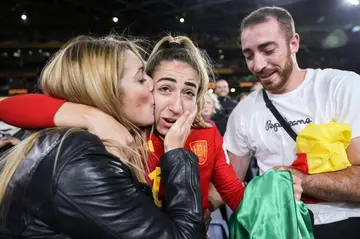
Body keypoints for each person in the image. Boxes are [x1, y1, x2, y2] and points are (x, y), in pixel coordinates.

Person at [0, 35, 302, 224]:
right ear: (146, 88)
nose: (177, 105)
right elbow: (10, 107)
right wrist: (93, 116)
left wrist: (274, 196)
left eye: (188, 92)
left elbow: (233, 192)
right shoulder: (128, 130)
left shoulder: (205, 134)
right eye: (164, 88)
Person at [0, 35, 205, 238]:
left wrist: (90, 116)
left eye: (188, 92)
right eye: (141, 79)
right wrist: (177, 153)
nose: (151, 84)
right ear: (107, 91)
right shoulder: (83, 161)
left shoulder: (82, 140)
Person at [223, 6, 360, 239]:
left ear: (293, 43)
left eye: (268, 50)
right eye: (248, 55)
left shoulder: (342, 87)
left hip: (342, 223)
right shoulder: (244, 111)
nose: (258, 65)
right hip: (275, 228)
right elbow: (227, 184)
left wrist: (294, 180)